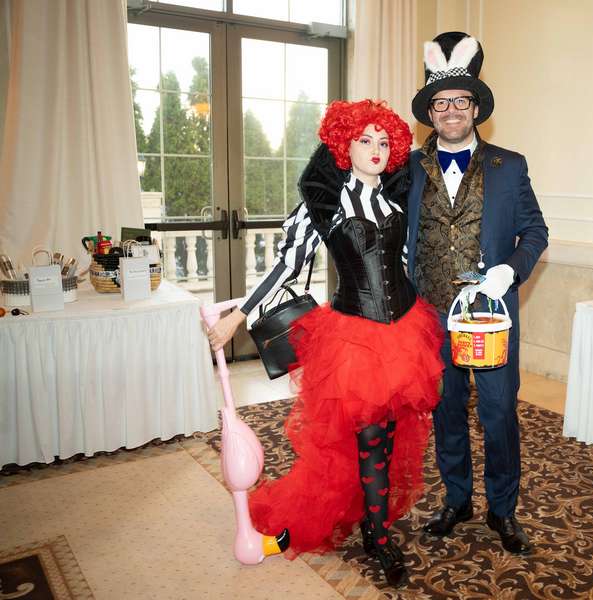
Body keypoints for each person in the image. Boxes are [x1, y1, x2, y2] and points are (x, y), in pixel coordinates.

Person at [206, 99, 444, 586]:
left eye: (384, 142)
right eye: (365, 140)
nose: (376, 150)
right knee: (370, 438)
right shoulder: (325, 205)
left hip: (404, 333)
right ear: (343, 146)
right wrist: (238, 316)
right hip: (355, 339)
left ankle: (373, 519)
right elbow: (286, 266)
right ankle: (378, 538)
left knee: (389, 437)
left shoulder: (396, 201)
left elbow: (402, 263)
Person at [406, 32, 549, 555]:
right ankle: (458, 499)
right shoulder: (407, 167)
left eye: (460, 101)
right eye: (440, 103)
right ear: (430, 112)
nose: (451, 111)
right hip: (429, 316)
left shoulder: (510, 165)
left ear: (475, 107)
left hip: (491, 317)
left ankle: (503, 510)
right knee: (446, 411)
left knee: (498, 413)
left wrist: (510, 270)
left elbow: (535, 232)